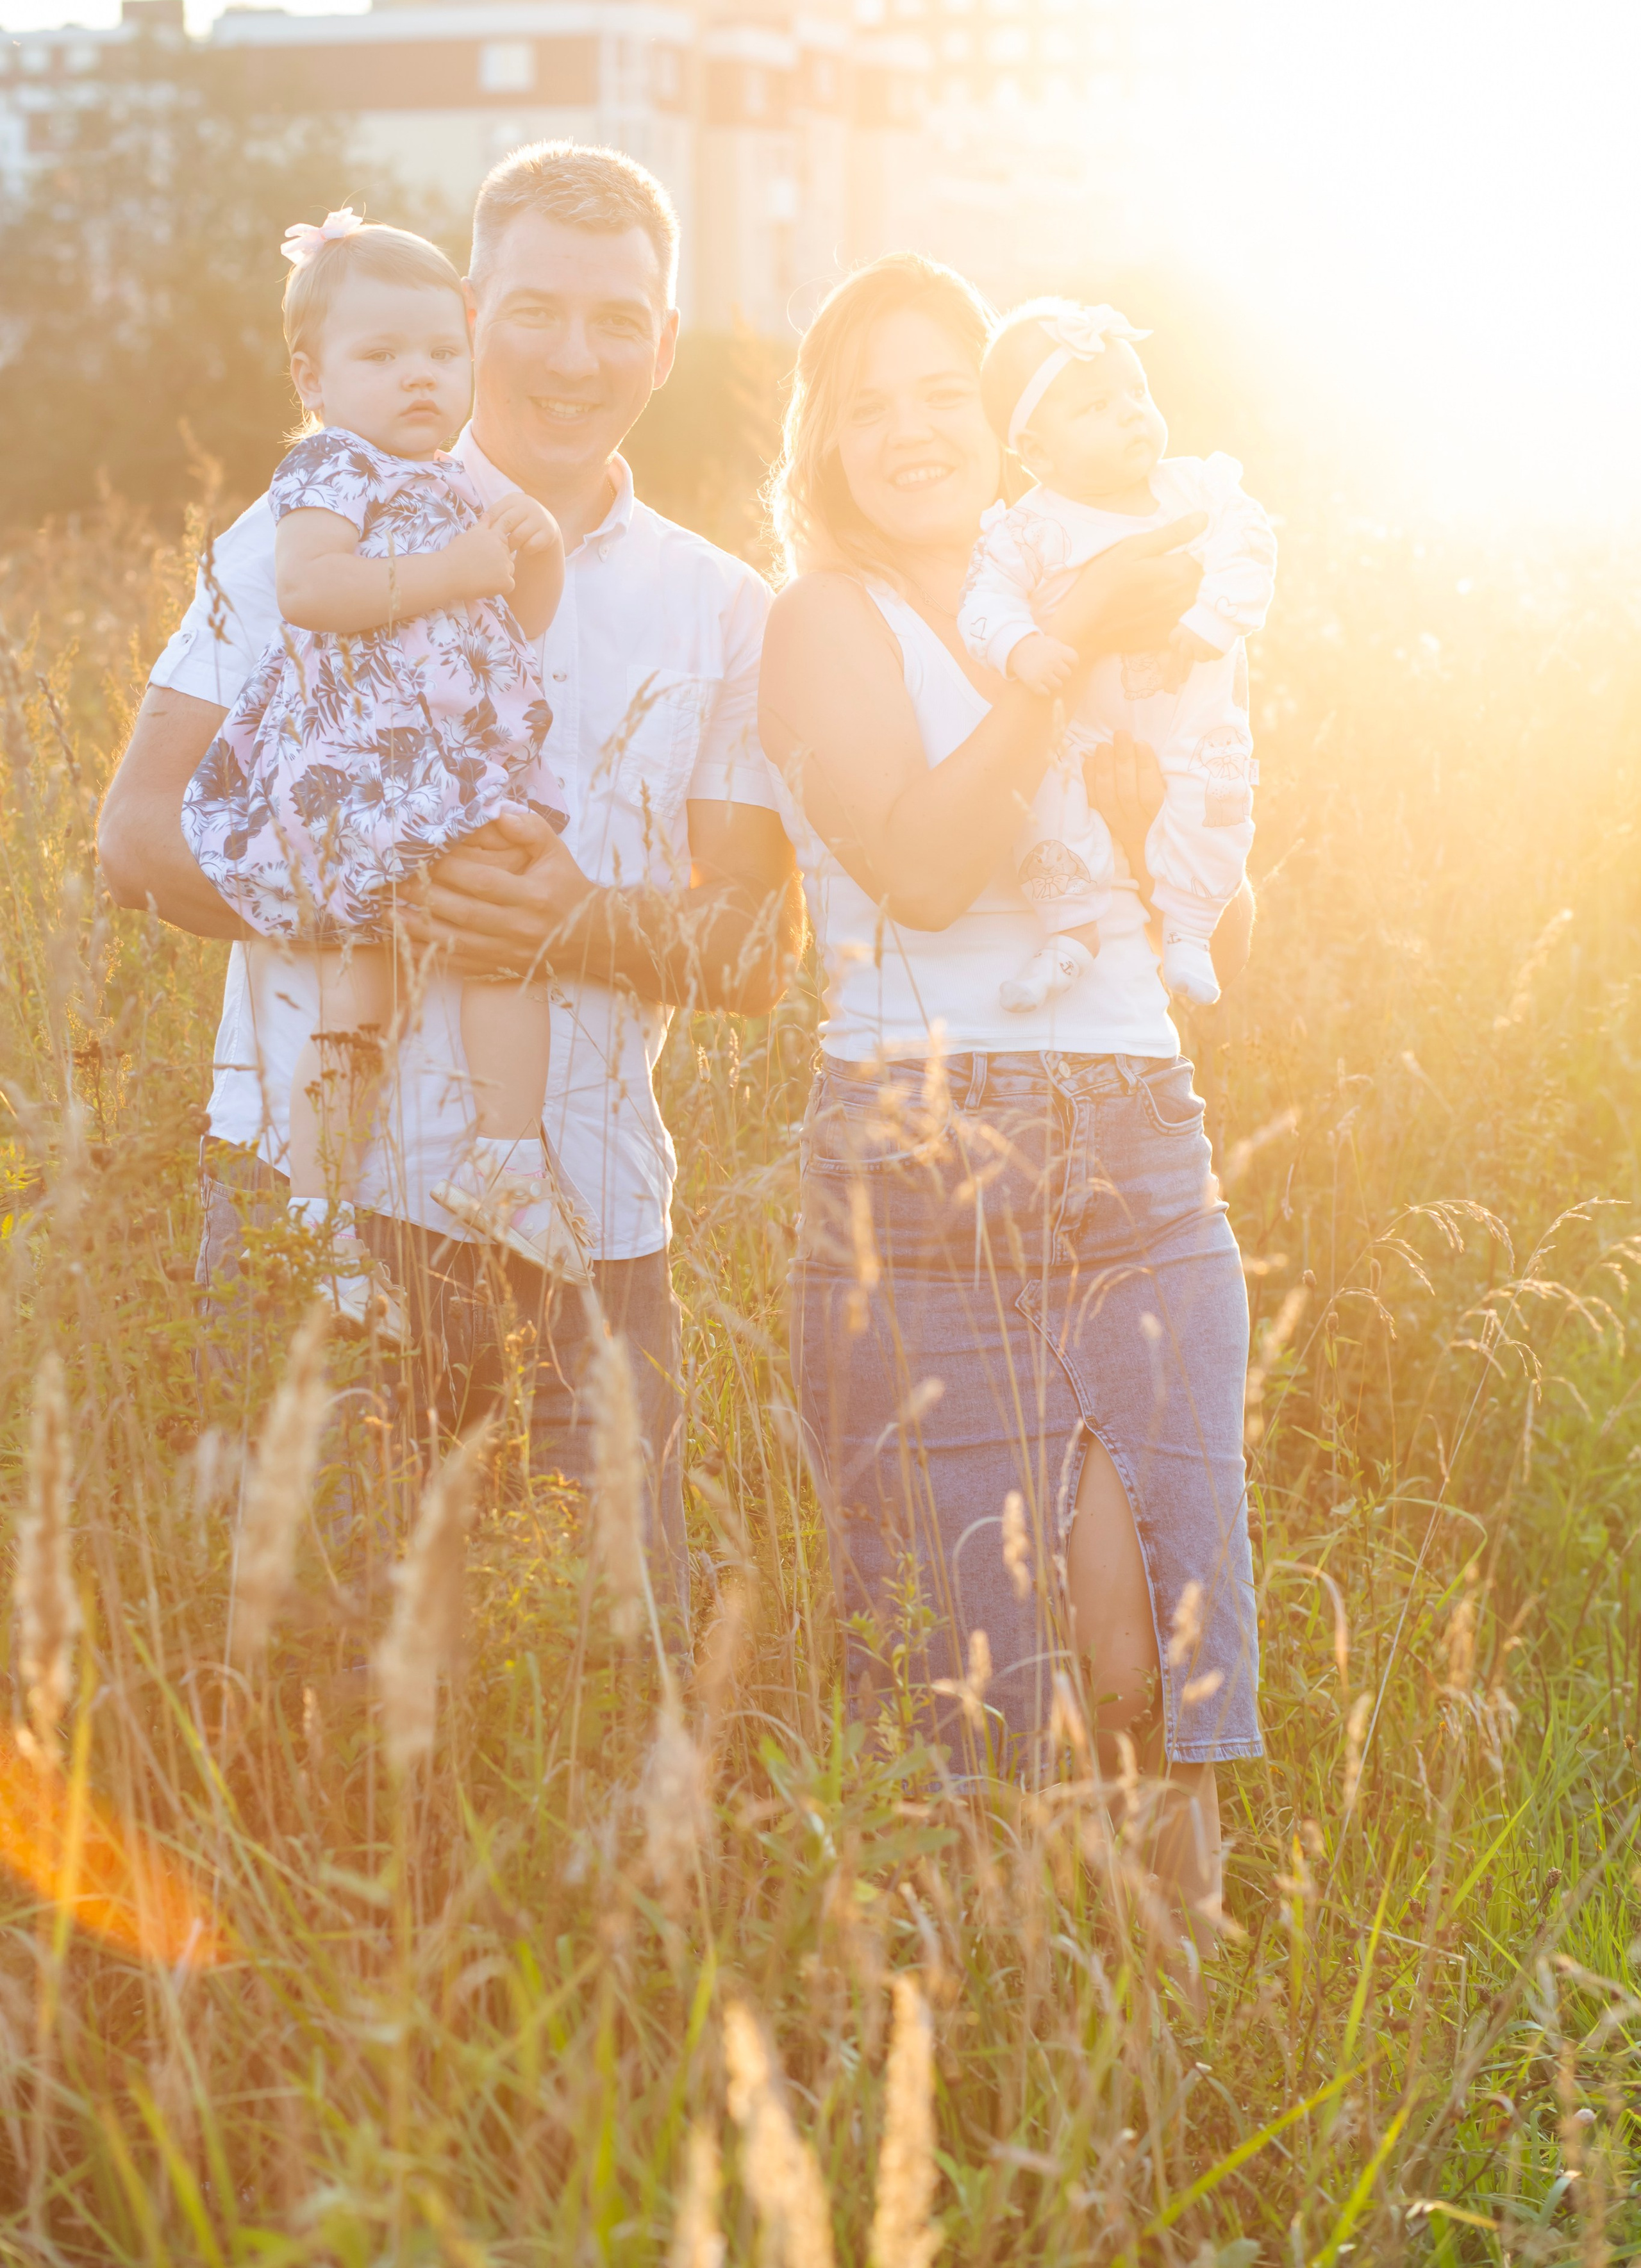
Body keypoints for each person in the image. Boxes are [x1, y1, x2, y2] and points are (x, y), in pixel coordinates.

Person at [98, 144, 799, 1627]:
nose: (572, 352)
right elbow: (139, 834)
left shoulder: (723, 608)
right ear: (468, 313)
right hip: (316, 1207)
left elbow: (751, 945)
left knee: (611, 1698)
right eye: (533, 307)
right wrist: (370, 895)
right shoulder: (310, 532)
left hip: (585, 1234)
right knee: (314, 1707)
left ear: (663, 347)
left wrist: (576, 923)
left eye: (618, 320)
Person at [758, 252, 1260, 1979]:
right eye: (868, 405)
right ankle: (1002, 2059)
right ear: (823, 448)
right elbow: (916, 862)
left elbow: (1206, 907)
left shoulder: (1094, 582)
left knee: (1154, 1647)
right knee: (987, 1676)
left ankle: (1184, 2063)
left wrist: (1149, 777)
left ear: (1006, 416)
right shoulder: (830, 619)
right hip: (919, 1161)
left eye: (943, 392)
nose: (910, 431)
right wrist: (1064, 667)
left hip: (1139, 1135)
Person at [181, 208, 586, 1332]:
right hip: (372, 767)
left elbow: (516, 620)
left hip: (453, 765)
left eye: (440, 355)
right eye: (381, 357)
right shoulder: (329, 469)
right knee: (368, 989)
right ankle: (322, 1213)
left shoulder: (460, 481)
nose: (419, 379)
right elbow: (312, 590)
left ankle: (494, 1161)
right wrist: (454, 567)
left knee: (497, 945)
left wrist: (529, 554)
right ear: (312, 376)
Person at [957, 299, 1276, 1013]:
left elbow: (1249, 544)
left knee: (1216, 808)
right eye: (1098, 406)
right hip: (1086, 727)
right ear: (1035, 453)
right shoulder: (1030, 530)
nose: (1133, 413)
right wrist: (1022, 644)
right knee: (1046, 806)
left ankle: (1191, 930)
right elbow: (983, 602)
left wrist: (1215, 612)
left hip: (1194, 714)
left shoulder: (1193, 489)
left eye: (1137, 391)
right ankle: (1070, 930)